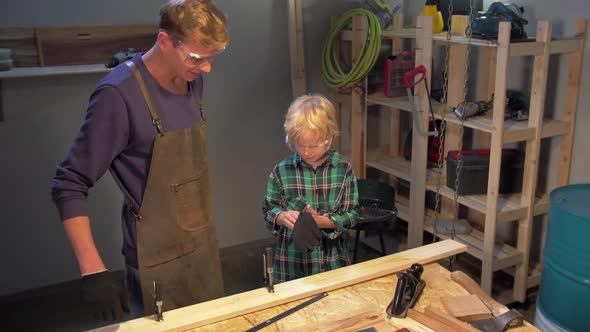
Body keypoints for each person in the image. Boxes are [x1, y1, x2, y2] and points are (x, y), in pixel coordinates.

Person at [51, 0, 228, 320]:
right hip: (156, 262)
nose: (206, 69)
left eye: (212, 58)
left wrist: (194, 63)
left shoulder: (193, 79)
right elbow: (68, 183)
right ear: (163, 42)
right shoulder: (117, 97)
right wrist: (92, 269)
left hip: (202, 247)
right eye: (197, 58)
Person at [262, 94, 360, 283]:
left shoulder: (342, 170)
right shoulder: (282, 171)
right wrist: (281, 217)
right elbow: (268, 210)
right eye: (300, 145)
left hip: (331, 262)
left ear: (329, 136)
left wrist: (322, 221)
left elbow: (353, 215)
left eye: (313, 145)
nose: (306, 151)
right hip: (292, 262)